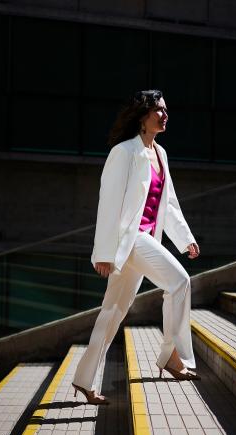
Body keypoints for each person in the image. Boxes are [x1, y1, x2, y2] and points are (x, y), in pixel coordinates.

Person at [71, 90, 201, 405]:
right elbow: (109, 204)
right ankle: (172, 355)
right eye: (159, 110)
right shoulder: (124, 152)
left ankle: (84, 381)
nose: (165, 115)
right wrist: (103, 253)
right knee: (179, 281)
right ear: (143, 115)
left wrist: (185, 238)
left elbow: (167, 203)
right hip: (127, 242)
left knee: (112, 312)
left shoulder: (161, 154)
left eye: (166, 110)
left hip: (144, 241)